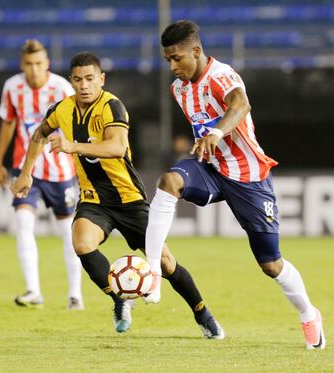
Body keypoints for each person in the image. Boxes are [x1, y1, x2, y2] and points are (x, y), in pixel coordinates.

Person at [10, 52, 224, 338]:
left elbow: (116, 147)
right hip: (94, 199)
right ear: (71, 81)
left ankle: (203, 314)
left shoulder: (112, 106)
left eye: (89, 79)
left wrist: (73, 146)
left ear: (101, 79)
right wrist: (26, 173)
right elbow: (38, 134)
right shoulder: (62, 109)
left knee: (166, 263)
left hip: (128, 199)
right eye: (77, 79)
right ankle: (120, 300)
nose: (83, 85)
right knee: (82, 243)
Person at [145, 20, 325, 349]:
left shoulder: (221, 75)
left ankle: (308, 313)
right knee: (168, 181)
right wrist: (204, 142)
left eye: (176, 58)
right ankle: (153, 271)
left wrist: (216, 132)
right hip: (210, 166)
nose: (172, 66)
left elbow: (241, 105)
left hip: (248, 175)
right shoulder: (180, 89)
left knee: (271, 264)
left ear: (196, 51)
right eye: (167, 60)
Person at [0, 39, 83, 310]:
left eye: (39, 63)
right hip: (26, 168)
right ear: (23, 64)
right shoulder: (12, 87)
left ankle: (75, 294)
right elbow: (9, 123)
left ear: (47, 64)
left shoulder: (61, 88)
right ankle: (33, 290)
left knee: (67, 232)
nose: (34, 69)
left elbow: (74, 126)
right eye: (29, 64)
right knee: (22, 223)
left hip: (60, 169)